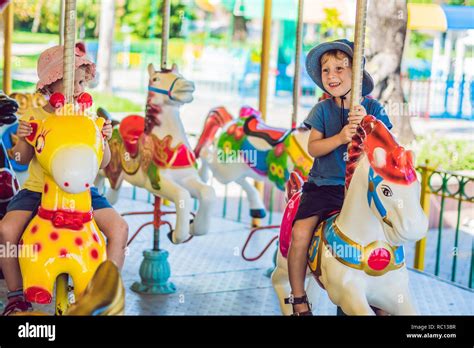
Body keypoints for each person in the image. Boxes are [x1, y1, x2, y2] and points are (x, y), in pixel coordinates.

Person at [0, 43, 129, 315]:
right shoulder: (35, 116)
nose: (79, 89)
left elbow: (103, 164)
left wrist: (103, 139)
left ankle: (107, 291)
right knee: (7, 231)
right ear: (49, 86)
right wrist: (24, 137)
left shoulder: (88, 118)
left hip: (82, 193)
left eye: (82, 82)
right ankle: (15, 295)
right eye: (72, 83)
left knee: (119, 229)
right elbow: (20, 161)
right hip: (37, 190)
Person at [285, 39, 393, 315]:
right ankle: (298, 297)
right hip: (324, 186)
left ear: (356, 74)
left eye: (340, 68)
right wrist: (341, 137)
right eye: (325, 70)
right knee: (300, 233)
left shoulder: (373, 108)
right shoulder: (322, 110)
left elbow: (386, 145)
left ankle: (382, 290)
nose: (331, 76)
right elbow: (313, 147)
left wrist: (369, 124)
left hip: (361, 190)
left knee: (390, 231)